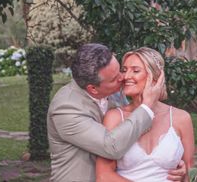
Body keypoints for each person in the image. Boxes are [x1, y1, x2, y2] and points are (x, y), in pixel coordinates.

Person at [48, 43, 187, 182]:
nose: (123, 77)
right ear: (93, 89)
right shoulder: (66, 108)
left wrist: (177, 166)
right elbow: (111, 147)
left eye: (119, 70)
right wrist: (147, 106)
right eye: (115, 78)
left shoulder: (115, 91)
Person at [96, 47, 195, 182]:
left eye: (135, 71)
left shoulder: (181, 118)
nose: (126, 76)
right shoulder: (115, 117)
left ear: (156, 77)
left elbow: (190, 172)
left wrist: (184, 174)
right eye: (124, 70)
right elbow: (104, 176)